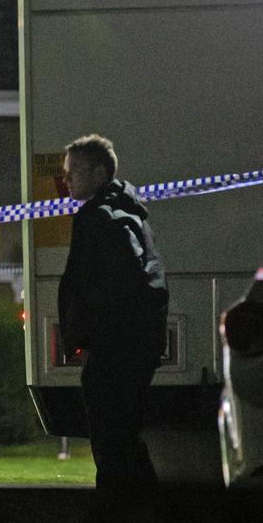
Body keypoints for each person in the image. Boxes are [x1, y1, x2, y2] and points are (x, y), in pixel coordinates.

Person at [58, 134, 166, 493]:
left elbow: (95, 285)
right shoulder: (131, 212)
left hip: (111, 350)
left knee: (109, 440)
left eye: (74, 172)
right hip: (138, 346)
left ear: (100, 173)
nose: (67, 180)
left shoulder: (97, 218)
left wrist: (87, 335)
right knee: (126, 436)